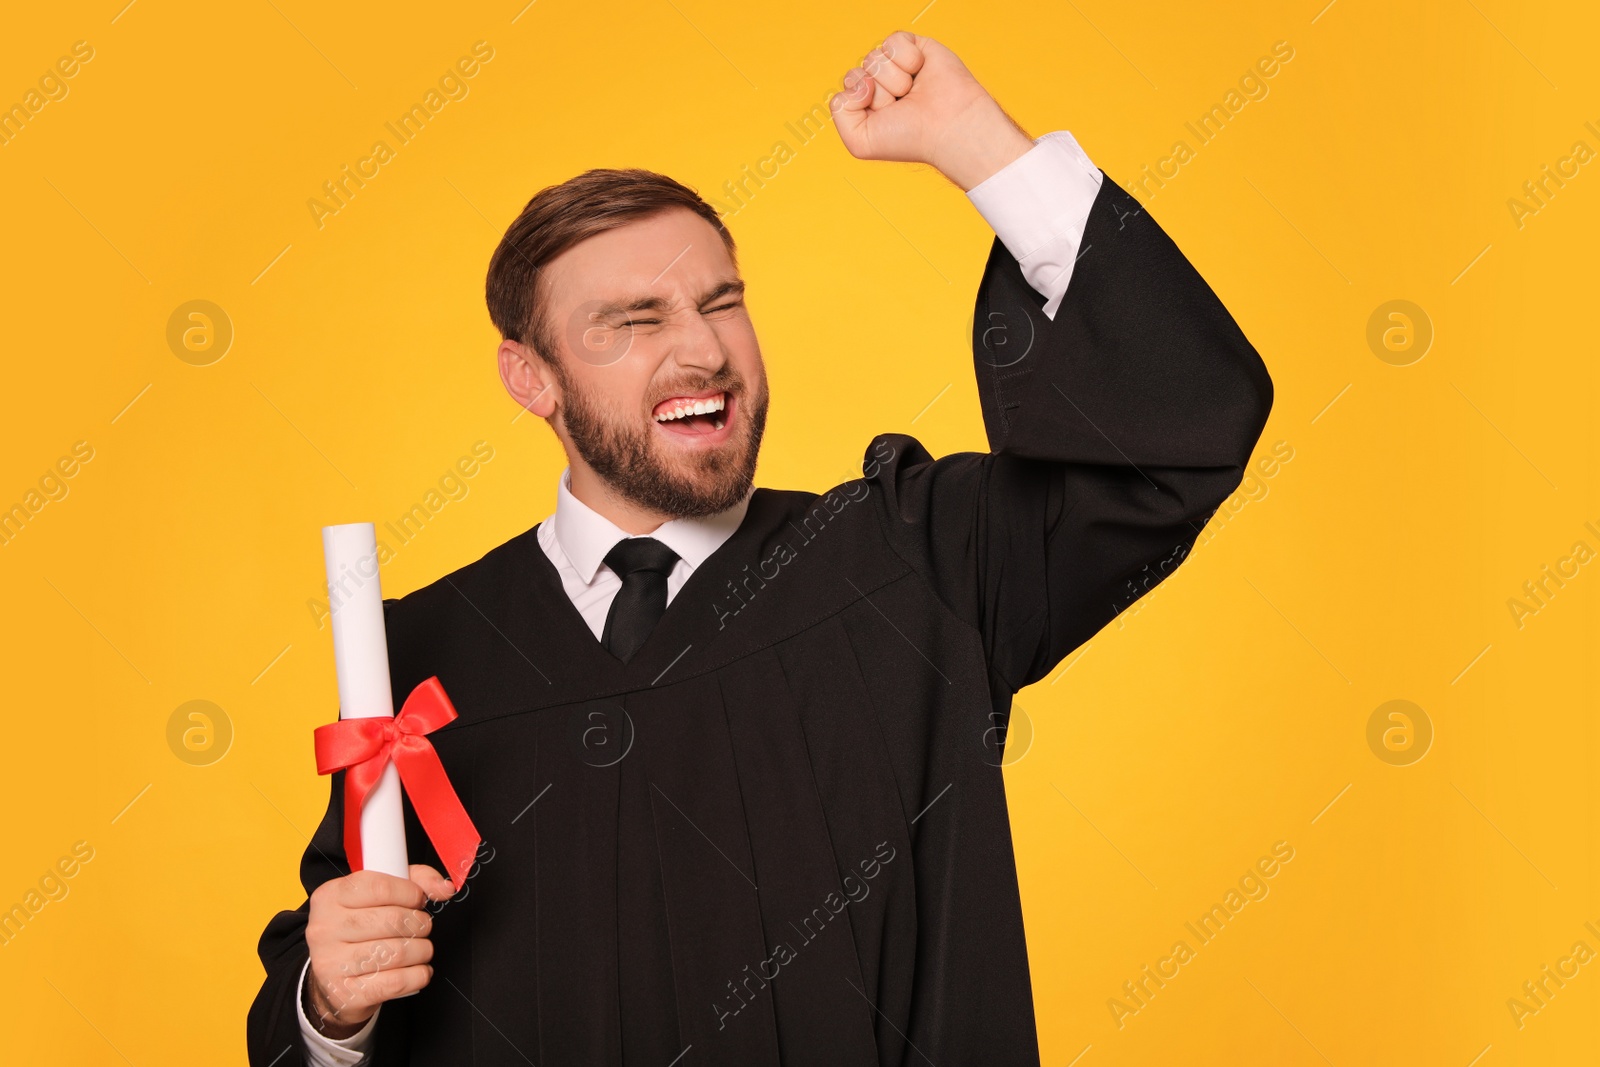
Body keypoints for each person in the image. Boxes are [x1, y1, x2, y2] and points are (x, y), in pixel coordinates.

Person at [248, 30, 1273, 1067]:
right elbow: (322, 986)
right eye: (631, 322)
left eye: (720, 302)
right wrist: (331, 1006)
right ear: (531, 379)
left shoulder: (916, 563)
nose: (701, 349)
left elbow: (1171, 433)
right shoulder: (421, 660)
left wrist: (977, 144)